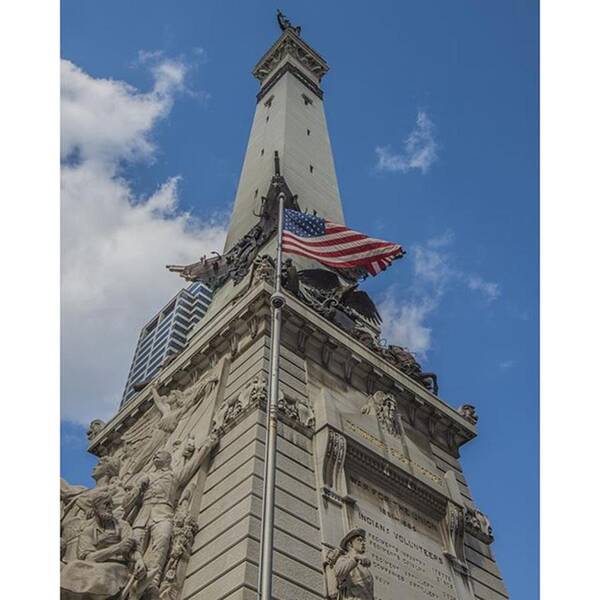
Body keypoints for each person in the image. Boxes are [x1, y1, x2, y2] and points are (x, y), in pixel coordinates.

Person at [125, 433, 219, 598]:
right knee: (133, 547)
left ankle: (153, 581)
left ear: (168, 460)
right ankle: (126, 580)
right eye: (155, 455)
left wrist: (207, 445)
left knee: (162, 541)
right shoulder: (145, 478)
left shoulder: (174, 477)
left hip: (163, 513)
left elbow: (192, 465)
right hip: (143, 515)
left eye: (159, 455)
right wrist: (138, 488)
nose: (155, 456)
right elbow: (128, 504)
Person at [60, 491, 151, 600]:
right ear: (95, 507)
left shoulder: (122, 525)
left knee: (100, 575)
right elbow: (89, 558)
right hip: (93, 566)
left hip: (118, 567)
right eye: (106, 504)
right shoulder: (88, 531)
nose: (110, 507)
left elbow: (133, 548)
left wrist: (139, 560)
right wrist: (117, 548)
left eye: (111, 504)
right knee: (72, 567)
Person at [333, 528, 374, 600]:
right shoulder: (344, 559)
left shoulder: (363, 567)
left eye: (364, 540)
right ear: (350, 544)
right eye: (359, 540)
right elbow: (339, 572)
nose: (363, 543)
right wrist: (355, 558)